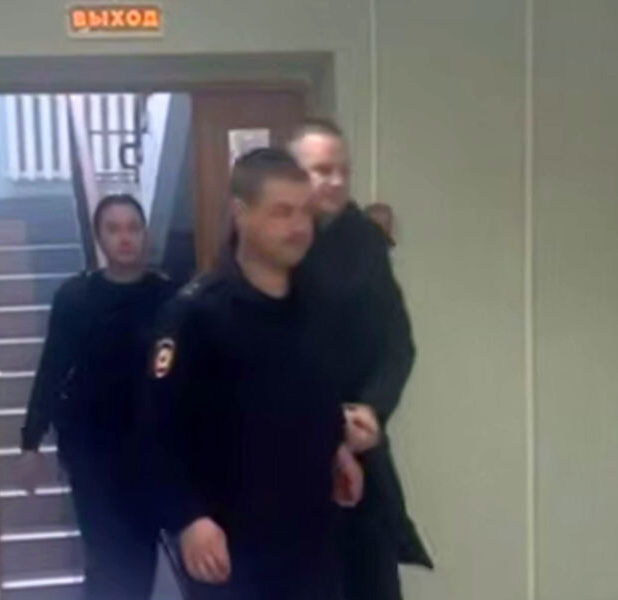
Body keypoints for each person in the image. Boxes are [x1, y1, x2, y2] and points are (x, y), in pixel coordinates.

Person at [145, 148, 364, 600]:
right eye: (282, 212)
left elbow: (311, 397)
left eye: (305, 212)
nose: (299, 227)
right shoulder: (195, 314)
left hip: (311, 545)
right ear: (241, 214)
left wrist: (337, 449)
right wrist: (188, 519)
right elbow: (155, 432)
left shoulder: (318, 308)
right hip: (231, 552)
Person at [289, 119, 433, 600]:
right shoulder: (270, 243)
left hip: (359, 441)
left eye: (342, 171)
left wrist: (372, 409)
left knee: (370, 580)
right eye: (320, 170)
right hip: (288, 449)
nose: (333, 181)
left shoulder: (364, 242)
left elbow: (398, 345)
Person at [18, 194, 175, 600]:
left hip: (149, 449)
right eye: (114, 229)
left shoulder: (170, 297)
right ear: (99, 236)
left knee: (141, 556)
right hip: (91, 449)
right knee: (106, 556)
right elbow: (53, 367)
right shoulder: (75, 297)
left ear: (145, 234)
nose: (125, 238)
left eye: (133, 228)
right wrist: (31, 441)